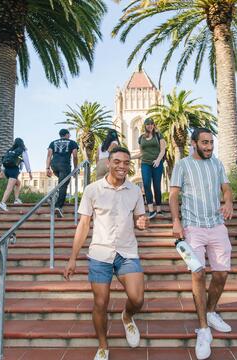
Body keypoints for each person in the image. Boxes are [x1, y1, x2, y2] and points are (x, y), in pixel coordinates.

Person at [64, 147, 149, 360]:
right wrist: (73, 258)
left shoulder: (135, 191)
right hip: (100, 253)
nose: (122, 166)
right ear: (108, 163)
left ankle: (127, 317)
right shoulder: (93, 190)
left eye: (126, 162)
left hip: (127, 251)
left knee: (137, 299)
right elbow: (83, 225)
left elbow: (140, 219)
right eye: (118, 162)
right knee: (100, 303)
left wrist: (141, 223)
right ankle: (103, 345)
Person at [169, 127, 233, 360]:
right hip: (193, 227)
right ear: (194, 143)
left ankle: (211, 310)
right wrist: (176, 221)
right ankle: (204, 329)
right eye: (204, 143)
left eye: (211, 143)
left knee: (222, 274)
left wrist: (228, 202)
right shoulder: (182, 165)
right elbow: (174, 194)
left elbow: (226, 188)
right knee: (197, 271)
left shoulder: (216, 164)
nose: (208, 147)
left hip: (216, 225)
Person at [133, 118, 166, 219]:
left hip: (157, 164)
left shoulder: (158, 135)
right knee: (146, 185)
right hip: (145, 164)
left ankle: (159, 209)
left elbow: (163, 150)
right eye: (148, 124)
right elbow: (141, 153)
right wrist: (128, 157)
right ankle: (151, 210)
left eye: (152, 124)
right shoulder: (141, 138)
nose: (150, 126)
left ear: (154, 125)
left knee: (157, 186)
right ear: (145, 126)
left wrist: (158, 160)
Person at [46, 129, 78, 218]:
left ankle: (53, 196)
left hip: (54, 165)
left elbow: (49, 155)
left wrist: (47, 168)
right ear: (67, 135)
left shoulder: (53, 142)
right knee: (63, 185)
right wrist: (75, 168)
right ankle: (58, 206)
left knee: (62, 182)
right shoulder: (72, 142)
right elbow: (75, 155)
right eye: (69, 134)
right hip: (64, 165)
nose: (70, 136)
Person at [0, 138, 32, 212]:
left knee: (18, 183)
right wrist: (29, 172)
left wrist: (2, 171)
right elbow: (26, 161)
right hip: (13, 170)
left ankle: (16, 200)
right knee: (9, 187)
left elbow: (4, 160)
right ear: (22, 143)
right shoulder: (22, 150)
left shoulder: (10, 150)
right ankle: (2, 203)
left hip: (6, 170)